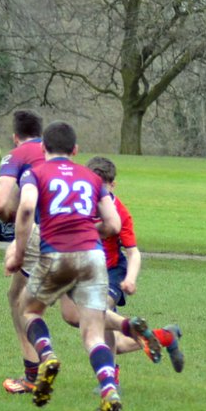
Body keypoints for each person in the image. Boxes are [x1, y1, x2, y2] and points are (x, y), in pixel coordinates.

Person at [5, 121, 124, 411]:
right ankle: (109, 391)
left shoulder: (35, 173)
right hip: (93, 257)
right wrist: (90, 230)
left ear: (43, 148)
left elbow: (27, 208)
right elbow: (113, 225)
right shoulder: (92, 178)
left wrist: (19, 253)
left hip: (56, 253)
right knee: (93, 334)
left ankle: (47, 355)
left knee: (28, 309)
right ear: (75, 150)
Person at [83, 155, 184, 372]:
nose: (98, 194)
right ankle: (166, 336)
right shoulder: (80, 204)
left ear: (113, 185)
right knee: (116, 343)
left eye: (103, 189)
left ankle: (111, 378)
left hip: (112, 272)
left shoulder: (120, 213)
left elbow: (133, 252)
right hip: (87, 272)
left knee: (99, 310)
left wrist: (130, 279)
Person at [0, 110, 47, 393]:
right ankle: (150, 334)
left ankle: (33, 372)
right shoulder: (57, 153)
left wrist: (14, 231)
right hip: (79, 238)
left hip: (41, 234)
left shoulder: (17, 155)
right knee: (81, 314)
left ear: (15, 136)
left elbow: (0, 204)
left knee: (18, 298)